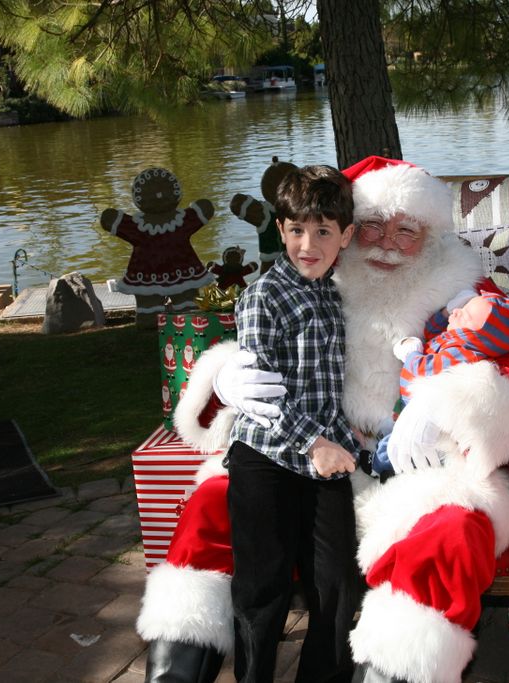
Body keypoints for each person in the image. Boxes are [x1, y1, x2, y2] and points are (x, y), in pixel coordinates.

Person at [137, 156, 509, 683]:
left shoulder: (464, 292)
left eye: (407, 231)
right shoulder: (314, 281)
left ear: (431, 235)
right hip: (310, 453)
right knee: (212, 503)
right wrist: (226, 379)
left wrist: (443, 403)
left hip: (428, 472)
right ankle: (175, 675)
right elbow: (258, 354)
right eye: (374, 227)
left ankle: (389, 672)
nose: (386, 243)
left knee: (449, 537)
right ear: (349, 230)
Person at [226, 164, 359, 682]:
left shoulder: (340, 293)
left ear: (345, 236)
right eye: (297, 230)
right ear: (280, 229)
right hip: (267, 455)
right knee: (263, 586)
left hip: (324, 459)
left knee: (336, 584)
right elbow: (261, 395)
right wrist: (316, 442)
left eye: (323, 231)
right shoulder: (264, 296)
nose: (309, 243)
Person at [369, 291, 509, 476]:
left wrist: (411, 354)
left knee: (397, 443)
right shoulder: (454, 339)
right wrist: (445, 313)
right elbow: (431, 331)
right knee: (396, 431)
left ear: (478, 335)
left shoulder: (462, 354)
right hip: (411, 408)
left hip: (430, 416)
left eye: (465, 315)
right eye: (462, 307)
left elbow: (420, 373)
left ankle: (377, 466)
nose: (457, 312)